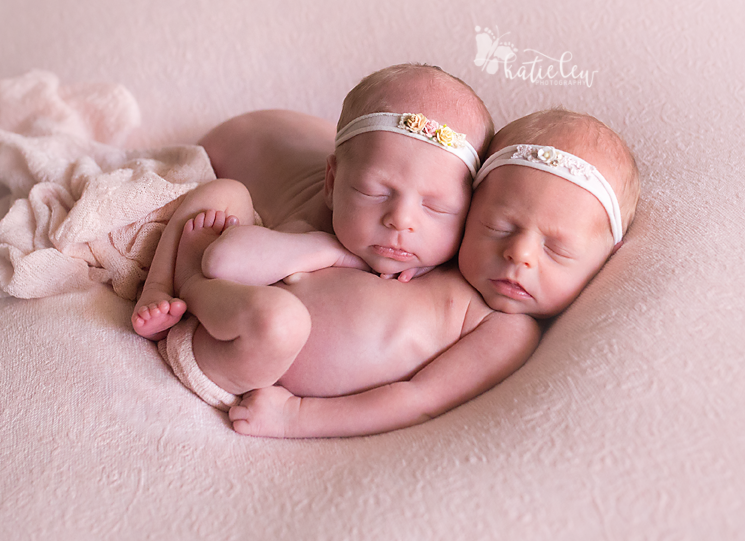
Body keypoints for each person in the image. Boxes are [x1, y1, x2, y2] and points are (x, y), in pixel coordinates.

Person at [221, 108, 640, 437]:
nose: (518, 255)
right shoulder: (434, 247)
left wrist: (297, 417)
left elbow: (419, 399)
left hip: (259, 369)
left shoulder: (505, 330)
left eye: (558, 249)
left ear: (606, 257)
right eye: (497, 227)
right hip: (244, 290)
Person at [131, 63, 494, 410]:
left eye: (436, 208)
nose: (401, 221)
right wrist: (325, 248)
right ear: (332, 185)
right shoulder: (313, 219)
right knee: (222, 194)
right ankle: (159, 287)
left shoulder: (457, 272)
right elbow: (227, 263)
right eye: (374, 192)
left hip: (307, 133)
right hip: (238, 140)